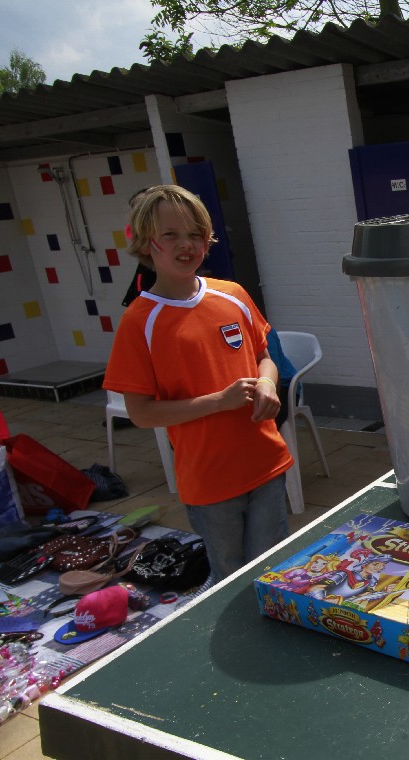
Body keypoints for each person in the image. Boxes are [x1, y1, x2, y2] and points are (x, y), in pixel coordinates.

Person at [104, 185, 293, 584]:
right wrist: (218, 402)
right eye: (170, 234)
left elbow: (264, 357)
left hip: (266, 462)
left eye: (194, 234)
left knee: (273, 571)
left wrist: (267, 383)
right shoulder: (139, 321)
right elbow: (141, 413)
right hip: (209, 480)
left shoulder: (233, 295)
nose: (186, 244)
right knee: (230, 577)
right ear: (146, 242)